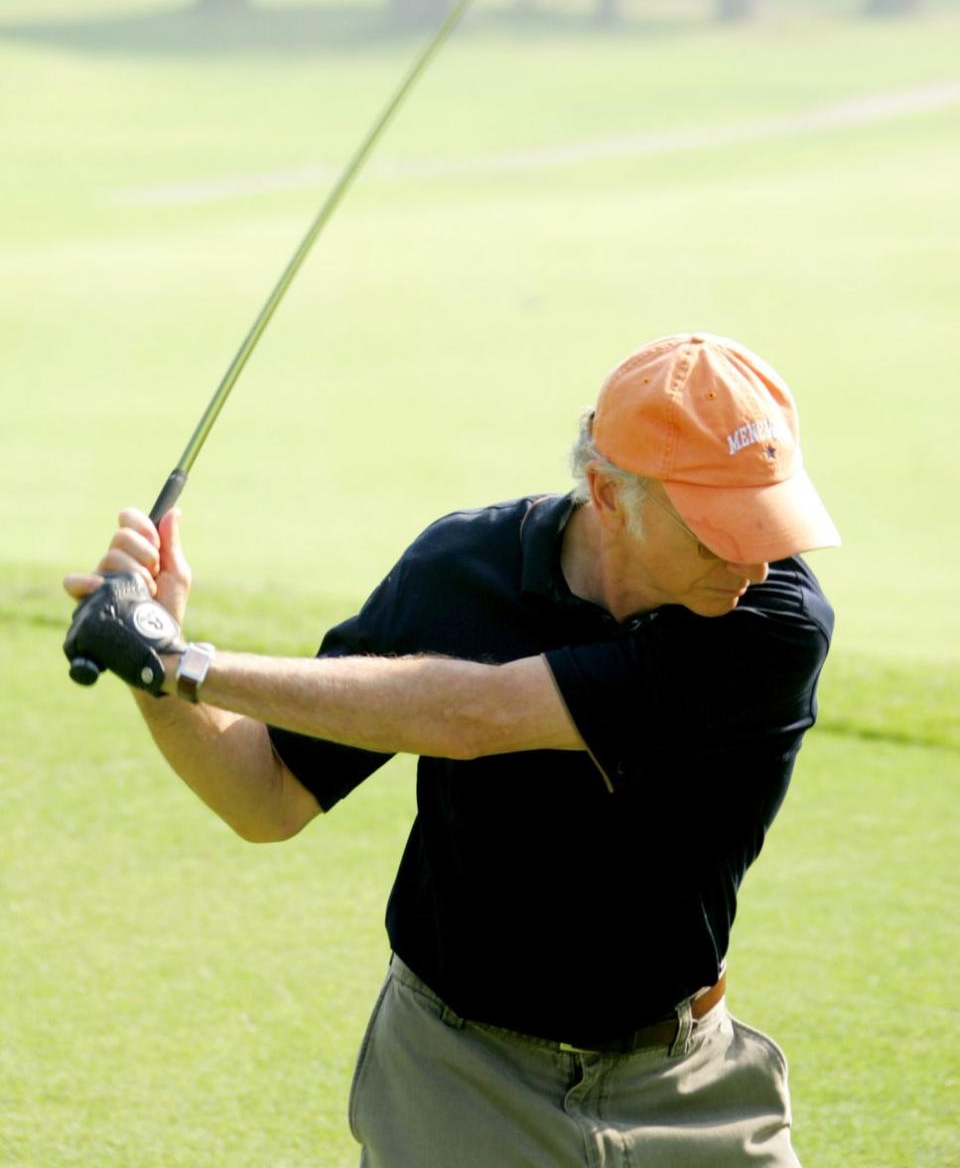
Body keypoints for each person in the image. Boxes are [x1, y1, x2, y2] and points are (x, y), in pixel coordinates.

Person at [64, 331, 840, 1167]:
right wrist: (155, 672)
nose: (754, 560)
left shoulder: (773, 624)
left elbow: (473, 715)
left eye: (767, 518)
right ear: (609, 495)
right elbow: (267, 796)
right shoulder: (459, 573)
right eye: (720, 528)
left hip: (688, 1083)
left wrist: (185, 663)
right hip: (459, 1077)